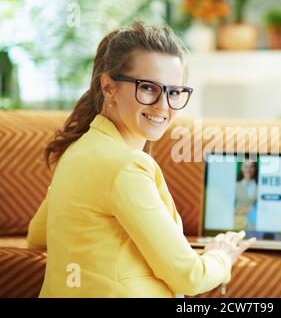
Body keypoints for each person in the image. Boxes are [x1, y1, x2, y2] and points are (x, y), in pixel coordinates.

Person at [27, 22, 255, 297]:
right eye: (148, 88)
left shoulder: (77, 151)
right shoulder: (126, 167)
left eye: (173, 92)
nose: (163, 106)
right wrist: (221, 256)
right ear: (109, 86)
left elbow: (37, 235)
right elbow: (192, 278)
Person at [234, 161, 258, 231]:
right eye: (246, 166)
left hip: (255, 227)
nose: (248, 170)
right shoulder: (235, 186)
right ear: (241, 168)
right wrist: (245, 211)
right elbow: (228, 210)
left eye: (251, 167)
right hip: (238, 225)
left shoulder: (259, 186)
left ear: (255, 168)